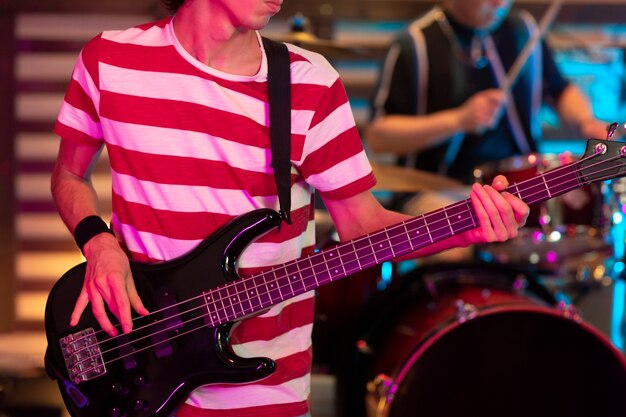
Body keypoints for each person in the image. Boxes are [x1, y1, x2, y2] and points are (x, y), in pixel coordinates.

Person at [49, 0, 529, 416]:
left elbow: (363, 227)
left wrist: (469, 229)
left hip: (266, 397)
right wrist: (99, 244)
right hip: (134, 369)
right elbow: (69, 174)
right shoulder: (109, 60)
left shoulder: (309, 84)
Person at [366, 0, 609, 188]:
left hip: (519, 182)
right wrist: (458, 120)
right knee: (461, 250)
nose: (499, 3)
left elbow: (559, 91)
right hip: (437, 191)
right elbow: (378, 136)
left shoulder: (523, 30)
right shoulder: (415, 43)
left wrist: (586, 122)